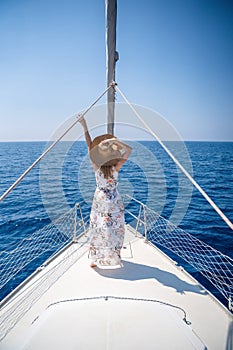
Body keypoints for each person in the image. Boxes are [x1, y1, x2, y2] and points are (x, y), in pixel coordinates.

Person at [79, 116, 132, 268]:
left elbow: (89, 146)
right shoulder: (117, 167)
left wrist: (84, 126)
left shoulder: (96, 166)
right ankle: (116, 256)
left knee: (99, 228)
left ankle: (96, 259)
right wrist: (115, 142)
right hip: (114, 199)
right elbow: (128, 150)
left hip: (100, 199)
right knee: (115, 228)